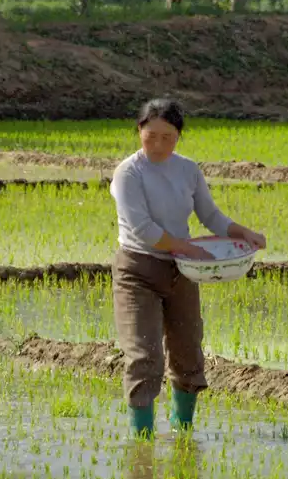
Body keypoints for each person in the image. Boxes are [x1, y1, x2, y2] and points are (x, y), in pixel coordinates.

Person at [109, 99, 267, 439]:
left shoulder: (188, 170)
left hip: (182, 270)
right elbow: (143, 229)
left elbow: (211, 216)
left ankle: (184, 434)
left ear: (179, 136)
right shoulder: (128, 173)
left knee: (187, 350)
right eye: (151, 136)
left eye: (168, 137)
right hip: (138, 269)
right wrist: (187, 247)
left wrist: (244, 233)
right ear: (139, 131)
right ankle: (143, 440)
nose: (159, 144)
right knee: (144, 354)